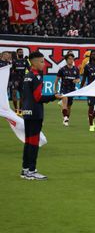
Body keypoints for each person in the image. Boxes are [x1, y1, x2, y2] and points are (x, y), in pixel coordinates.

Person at [20, 51, 63, 180]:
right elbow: (38, 97)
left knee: (28, 141)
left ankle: (25, 169)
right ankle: (32, 171)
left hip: (27, 112)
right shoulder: (37, 76)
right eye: (42, 61)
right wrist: (53, 97)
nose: (44, 64)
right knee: (34, 142)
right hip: (35, 113)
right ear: (34, 62)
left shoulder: (28, 75)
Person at [54, 52, 80, 126]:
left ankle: (66, 119)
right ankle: (65, 117)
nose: (71, 60)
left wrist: (76, 81)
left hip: (72, 90)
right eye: (69, 59)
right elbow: (56, 80)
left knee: (69, 106)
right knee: (65, 101)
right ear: (66, 60)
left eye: (72, 59)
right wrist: (55, 91)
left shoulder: (76, 69)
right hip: (64, 89)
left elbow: (78, 79)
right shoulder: (62, 69)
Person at [10, 48, 29, 113]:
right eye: (20, 52)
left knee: (22, 95)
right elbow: (11, 70)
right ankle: (16, 109)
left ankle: (20, 109)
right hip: (15, 80)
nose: (21, 53)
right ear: (17, 53)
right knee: (14, 94)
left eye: (22, 52)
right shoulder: (14, 61)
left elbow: (29, 69)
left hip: (23, 80)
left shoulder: (25, 61)